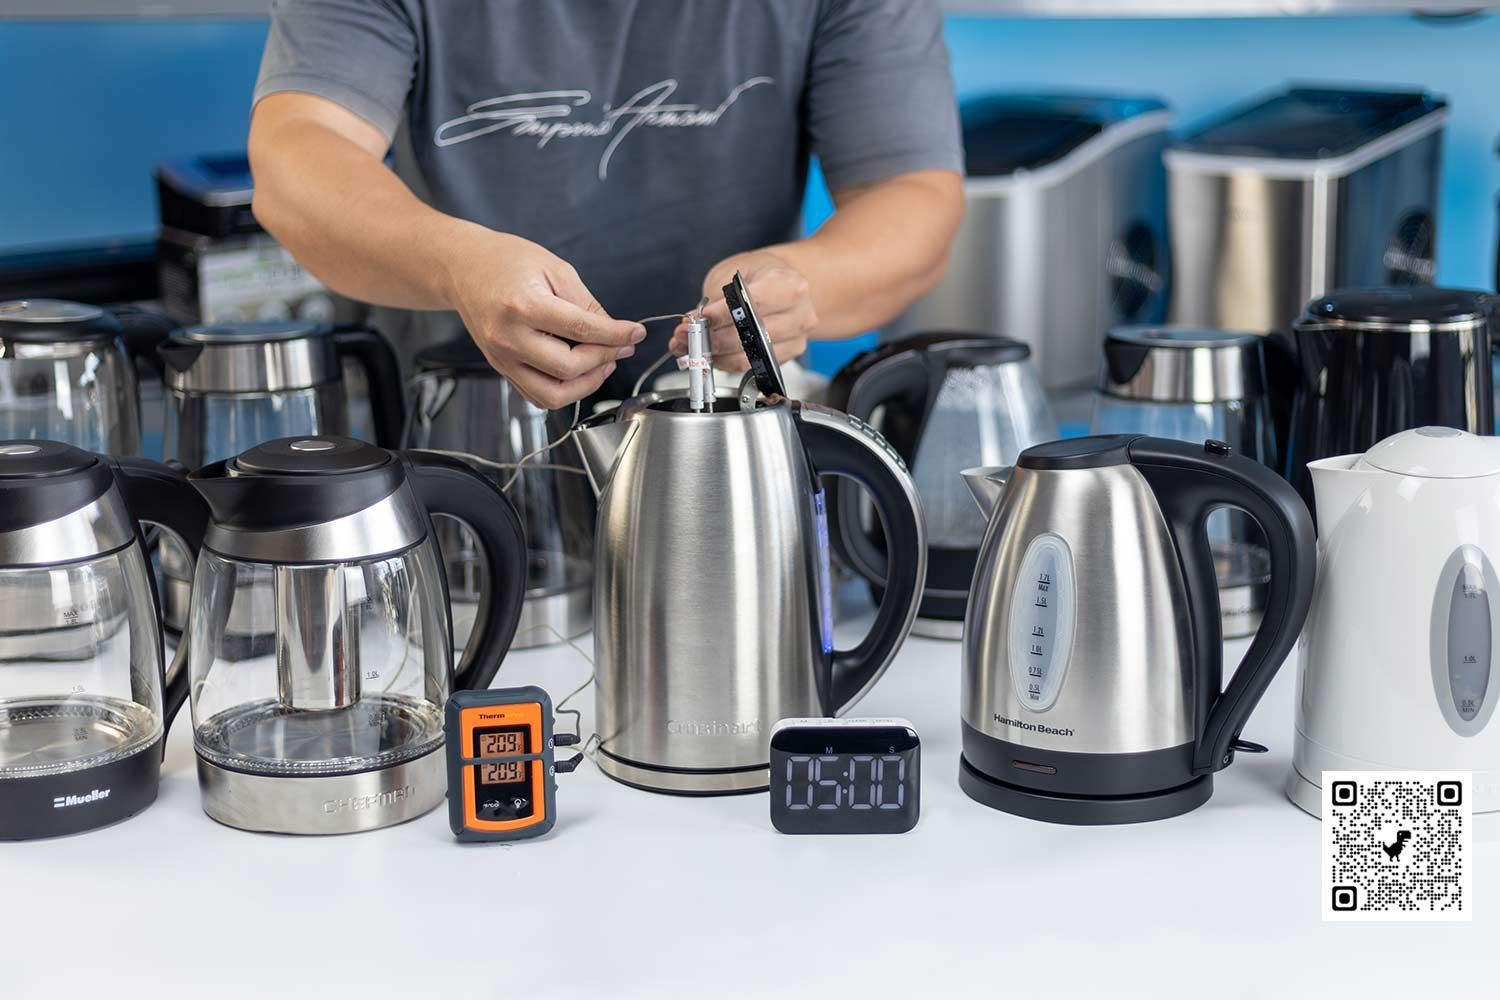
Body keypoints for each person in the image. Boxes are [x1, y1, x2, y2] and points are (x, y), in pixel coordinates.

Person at [248, 0, 964, 409]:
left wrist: (797, 283)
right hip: (457, 452)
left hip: (726, 447)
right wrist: (459, 265)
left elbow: (910, 198)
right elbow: (297, 158)